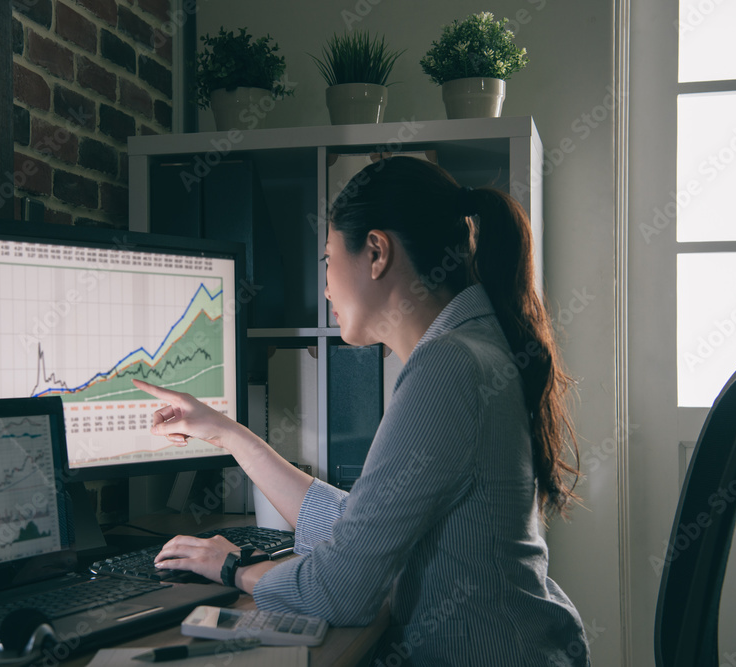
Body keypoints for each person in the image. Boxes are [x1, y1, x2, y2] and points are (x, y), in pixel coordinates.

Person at [133, 156, 589, 665]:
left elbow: (341, 591)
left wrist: (235, 568)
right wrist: (230, 434)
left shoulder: (449, 366)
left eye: (328, 259)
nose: (325, 285)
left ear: (376, 252)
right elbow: (364, 526)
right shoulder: (470, 348)